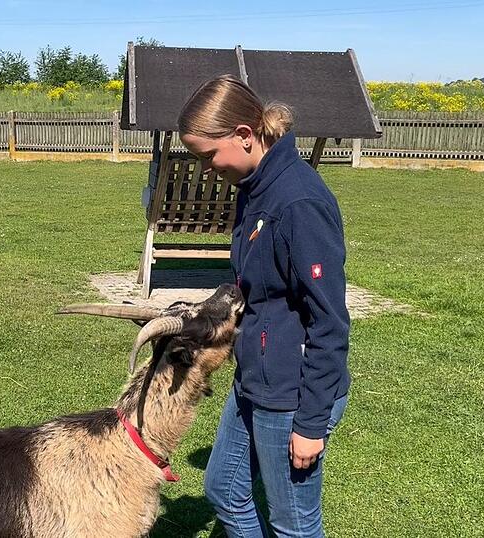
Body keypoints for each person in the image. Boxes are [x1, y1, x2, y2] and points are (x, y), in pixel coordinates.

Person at [178, 75, 351, 538]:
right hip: (255, 379)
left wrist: (311, 423)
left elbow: (330, 325)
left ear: (244, 135)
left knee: (293, 524)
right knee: (225, 490)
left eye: (208, 155)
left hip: (292, 394)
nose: (206, 168)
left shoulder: (298, 202)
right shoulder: (255, 188)